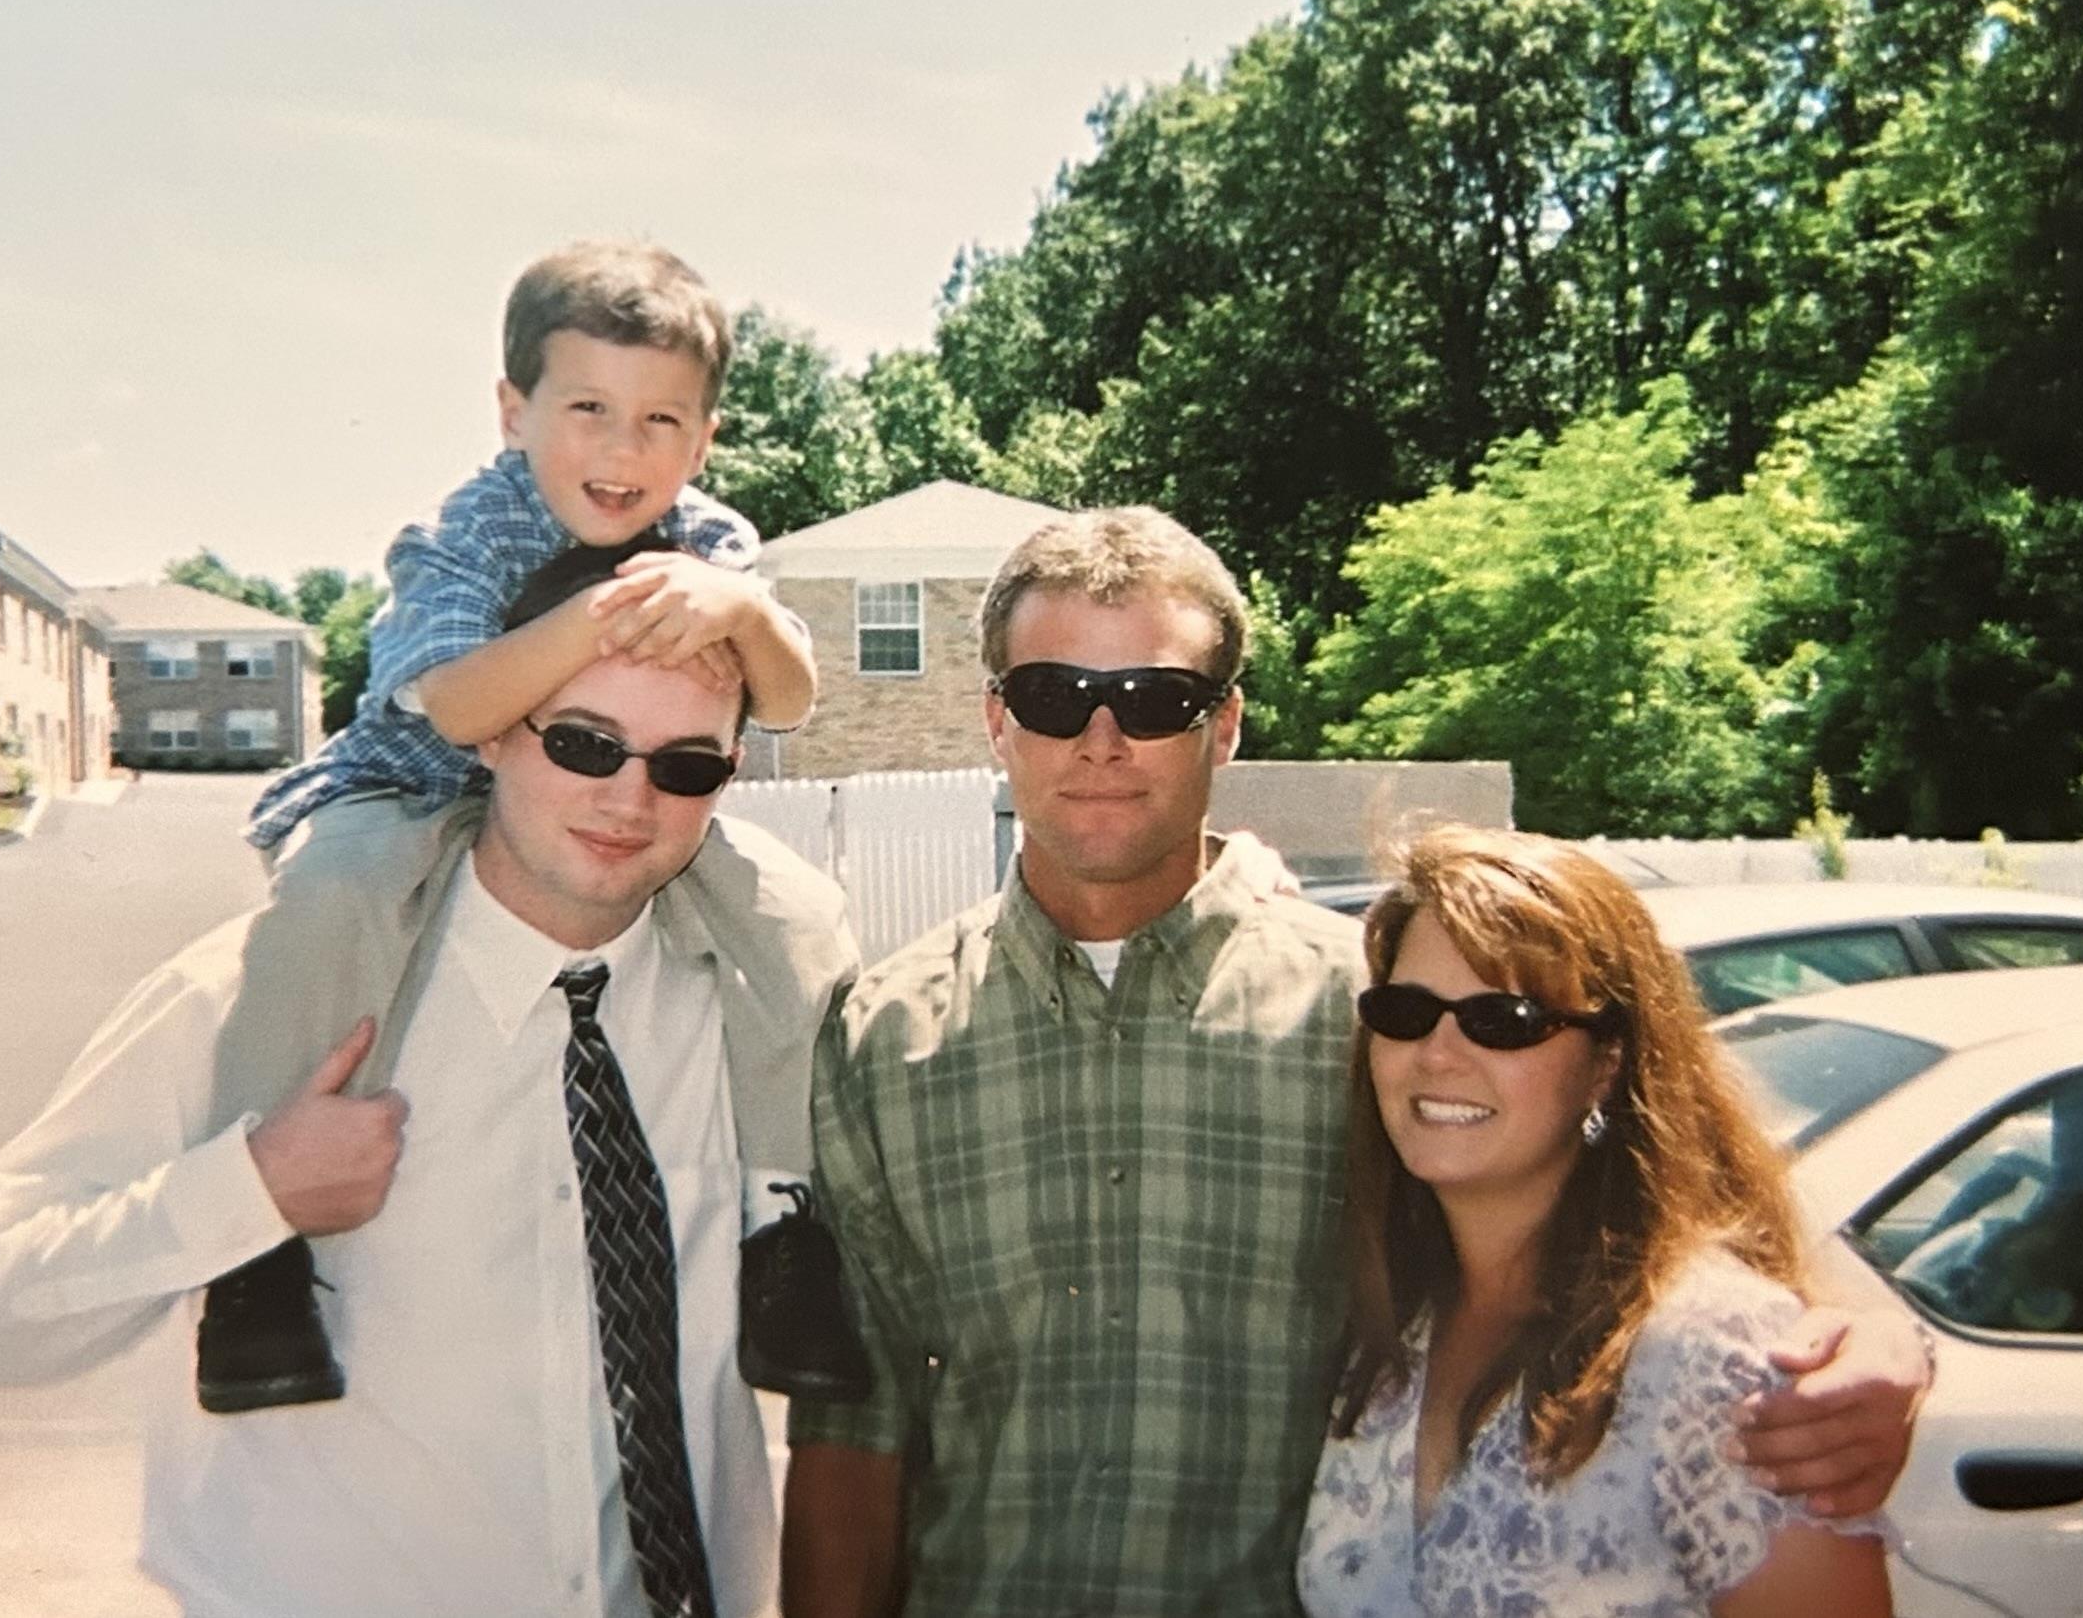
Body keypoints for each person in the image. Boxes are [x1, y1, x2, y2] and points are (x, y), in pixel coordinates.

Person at [782, 508, 1925, 1618]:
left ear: (1223, 726)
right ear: (995, 718)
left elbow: (1669, 1187)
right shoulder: (883, 1035)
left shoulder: (1384, 1019)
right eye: (1054, 695)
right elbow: (854, 1430)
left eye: (1154, 699)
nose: (1101, 737)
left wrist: (1880, 1343)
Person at [0, 618, 801, 1618]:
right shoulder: (261, 997)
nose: (628, 795)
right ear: (492, 735)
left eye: (685, 766)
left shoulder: (751, 1020)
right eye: (583, 743)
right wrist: (248, 1188)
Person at [213, 238, 860, 1412]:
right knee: (326, 898)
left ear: (704, 437)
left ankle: (783, 1225)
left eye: (662, 420)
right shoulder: (464, 531)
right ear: (513, 410)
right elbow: (457, 703)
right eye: (588, 409)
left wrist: (744, 611)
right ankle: (254, 1258)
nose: (623, 452)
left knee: (790, 911)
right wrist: (605, 618)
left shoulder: (711, 544)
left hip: (602, 785)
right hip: (409, 790)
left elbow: (794, 698)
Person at [1300, 827, 1894, 1618]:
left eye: (1503, 1019)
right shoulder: (1388, 1329)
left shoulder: (1714, 1356)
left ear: (1605, 1065)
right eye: (1405, 1012)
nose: (1437, 1054)